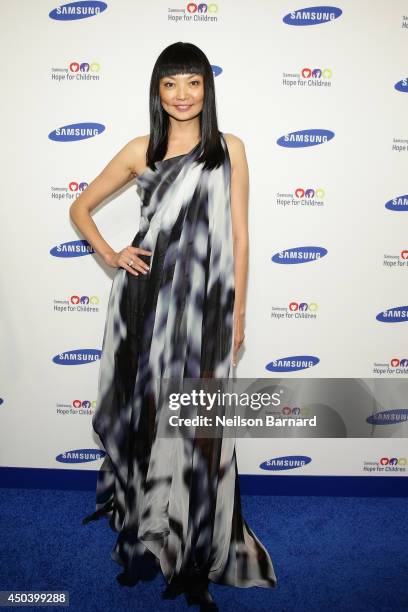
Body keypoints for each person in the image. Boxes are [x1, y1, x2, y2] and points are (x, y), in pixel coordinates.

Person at [70, 41, 277, 610]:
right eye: (170, 83)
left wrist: (237, 312)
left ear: (207, 89)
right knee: (147, 418)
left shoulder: (229, 148)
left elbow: (239, 235)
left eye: (193, 82)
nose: (182, 95)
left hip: (206, 308)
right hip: (145, 303)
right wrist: (112, 253)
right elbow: (80, 208)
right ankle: (143, 534)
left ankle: (195, 555)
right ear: (157, 91)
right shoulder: (141, 150)